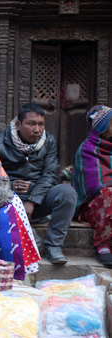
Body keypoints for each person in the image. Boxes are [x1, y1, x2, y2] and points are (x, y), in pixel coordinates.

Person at [0, 103, 77, 264]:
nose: (37, 129)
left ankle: (54, 246)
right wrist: (9, 185)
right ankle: (30, 238)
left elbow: (50, 174)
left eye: (41, 124)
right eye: (31, 123)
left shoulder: (49, 141)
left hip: (37, 200)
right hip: (8, 201)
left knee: (67, 192)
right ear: (18, 124)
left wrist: (32, 200)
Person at [72, 105, 112, 266]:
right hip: (92, 205)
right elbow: (93, 185)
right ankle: (103, 244)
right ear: (104, 128)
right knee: (108, 194)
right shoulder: (87, 149)